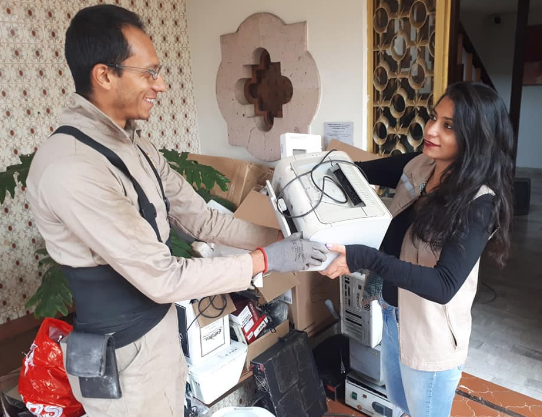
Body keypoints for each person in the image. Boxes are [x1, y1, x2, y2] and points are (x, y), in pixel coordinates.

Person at [26, 4, 328, 417]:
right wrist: (266, 260)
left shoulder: (137, 147)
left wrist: (282, 241)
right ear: (104, 75)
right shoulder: (73, 167)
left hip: (159, 337)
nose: (161, 85)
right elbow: (163, 277)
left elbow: (201, 219)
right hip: (122, 362)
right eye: (149, 73)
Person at [321, 82, 514, 417]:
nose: (431, 130)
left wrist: (361, 256)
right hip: (393, 313)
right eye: (434, 117)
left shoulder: (480, 203)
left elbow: (442, 285)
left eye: (448, 126)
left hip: (430, 335)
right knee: (399, 401)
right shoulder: (422, 164)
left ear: (475, 137)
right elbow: (357, 173)